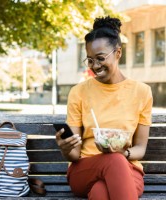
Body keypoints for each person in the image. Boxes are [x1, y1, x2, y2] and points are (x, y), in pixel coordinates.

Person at [55, 16, 153, 200]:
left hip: (128, 169)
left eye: (100, 58)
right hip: (84, 169)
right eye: (90, 60)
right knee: (113, 161)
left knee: (100, 192)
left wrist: (123, 153)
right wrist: (66, 148)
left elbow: (140, 147)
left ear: (118, 53)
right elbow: (75, 155)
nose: (95, 66)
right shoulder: (79, 92)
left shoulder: (142, 92)